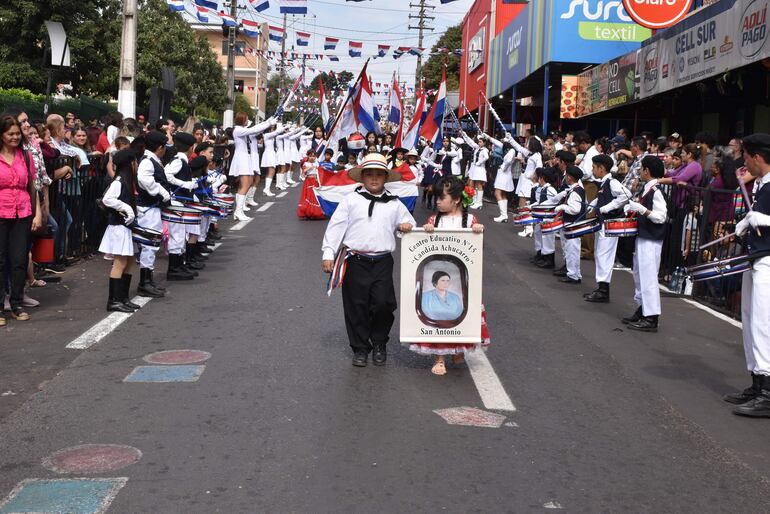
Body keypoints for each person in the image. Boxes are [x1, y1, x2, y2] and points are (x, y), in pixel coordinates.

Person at [321, 153, 416, 367]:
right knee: (356, 305)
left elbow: (408, 222)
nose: (374, 179)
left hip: (382, 262)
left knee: (383, 304)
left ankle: (380, 342)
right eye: (370, 175)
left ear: (385, 178)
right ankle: (361, 348)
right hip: (355, 260)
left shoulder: (394, 203)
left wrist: (405, 227)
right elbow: (336, 227)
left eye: (379, 175)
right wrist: (328, 253)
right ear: (362, 177)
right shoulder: (351, 200)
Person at [411, 175, 488, 375]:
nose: (437, 201)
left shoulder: (470, 220)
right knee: (439, 315)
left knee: (461, 313)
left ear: (456, 200)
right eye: (436, 198)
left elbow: (475, 249)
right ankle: (439, 357)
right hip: (439, 272)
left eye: (441, 198)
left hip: (461, 277)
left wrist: (477, 231)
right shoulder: (433, 219)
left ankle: (458, 348)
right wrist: (426, 231)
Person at [727, 133, 770, 417]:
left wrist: (762, 219)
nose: (745, 165)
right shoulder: (762, 184)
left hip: (769, 260)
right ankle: (756, 382)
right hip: (755, 257)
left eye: (746, 158)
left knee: (763, 324)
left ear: (756, 157)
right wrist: (747, 220)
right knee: (751, 321)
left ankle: (767, 392)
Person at [621, 156, 668, 332]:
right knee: (639, 275)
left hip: (651, 240)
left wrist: (642, 210)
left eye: (641, 169)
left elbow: (660, 217)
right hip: (644, 237)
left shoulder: (656, 191)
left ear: (647, 171)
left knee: (648, 278)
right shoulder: (648, 189)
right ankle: (643, 309)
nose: (640, 171)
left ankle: (651, 317)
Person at [0, 115, 39, 324]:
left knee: (19, 260)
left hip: (22, 212)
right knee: (0, 260)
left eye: (17, 133)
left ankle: (16, 303)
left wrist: (38, 212)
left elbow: (33, 185)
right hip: (1, 213)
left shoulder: (25, 156)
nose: (15, 137)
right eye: (10, 134)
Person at [584, 154, 631, 302]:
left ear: (602, 168)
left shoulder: (612, 182)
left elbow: (626, 195)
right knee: (600, 255)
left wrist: (607, 208)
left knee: (604, 256)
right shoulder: (604, 183)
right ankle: (601, 288)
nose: (592, 170)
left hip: (610, 224)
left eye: (594, 167)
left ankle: (603, 291)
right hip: (603, 223)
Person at [98, 149, 140, 312]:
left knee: (128, 261)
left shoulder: (127, 181)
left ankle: (123, 298)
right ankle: (114, 300)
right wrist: (126, 208)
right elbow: (107, 199)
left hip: (125, 227)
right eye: (135, 162)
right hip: (118, 227)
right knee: (120, 262)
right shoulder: (119, 181)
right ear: (130, 163)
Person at [135, 130, 172, 295]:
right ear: (160, 147)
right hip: (148, 209)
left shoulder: (152, 159)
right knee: (148, 245)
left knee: (152, 244)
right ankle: (144, 283)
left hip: (152, 208)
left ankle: (148, 280)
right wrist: (162, 193)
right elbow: (144, 179)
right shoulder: (148, 161)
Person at [229, 113, 275, 220]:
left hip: (246, 158)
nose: (247, 120)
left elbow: (256, 129)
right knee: (244, 185)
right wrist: (268, 123)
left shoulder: (242, 129)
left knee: (249, 182)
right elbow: (253, 130)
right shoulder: (238, 130)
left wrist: (269, 120)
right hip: (241, 159)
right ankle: (238, 211)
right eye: (246, 119)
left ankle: (239, 210)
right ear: (241, 120)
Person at [553, 165, 585, 284]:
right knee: (571, 249)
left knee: (572, 250)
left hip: (573, 224)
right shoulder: (576, 189)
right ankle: (574, 273)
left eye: (566, 176)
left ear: (570, 178)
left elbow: (575, 209)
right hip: (572, 224)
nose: (565, 178)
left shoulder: (576, 191)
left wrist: (562, 207)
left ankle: (573, 275)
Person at [483, 134, 516, 223]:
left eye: (504, 141)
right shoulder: (509, 149)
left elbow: (508, 161)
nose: (502, 142)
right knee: (503, 194)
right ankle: (504, 215)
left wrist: (503, 167)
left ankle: (503, 215)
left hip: (504, 174)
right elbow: (497, 143)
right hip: (504, 174)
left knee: (497, 193)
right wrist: (488, 137)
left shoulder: (512, 150)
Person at [462, 133, 489, 210]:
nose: (479, 143)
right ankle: (474, 200)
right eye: (479, 141)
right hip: (474, 168)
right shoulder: (477, 148)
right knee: (472, 183)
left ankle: (479, 203)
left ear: (484, 143)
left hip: (480, 168)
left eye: (480, 142)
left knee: (479, 185)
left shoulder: (485, 150)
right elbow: (471, 142)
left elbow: (486, 157)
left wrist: (480, 162)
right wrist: (465, 135)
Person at [296, 150, 325, 220]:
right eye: (310, 156)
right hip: (309, 181)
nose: (312, 158)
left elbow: (321, 172)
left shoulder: (317, 163)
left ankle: (316, 212)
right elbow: (303, 174)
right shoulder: (305, 164)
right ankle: (308, 212)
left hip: (316, 181)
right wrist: (309, 168)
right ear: (308, 156)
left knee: (315, 197)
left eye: (314, 156)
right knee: (309, 196)